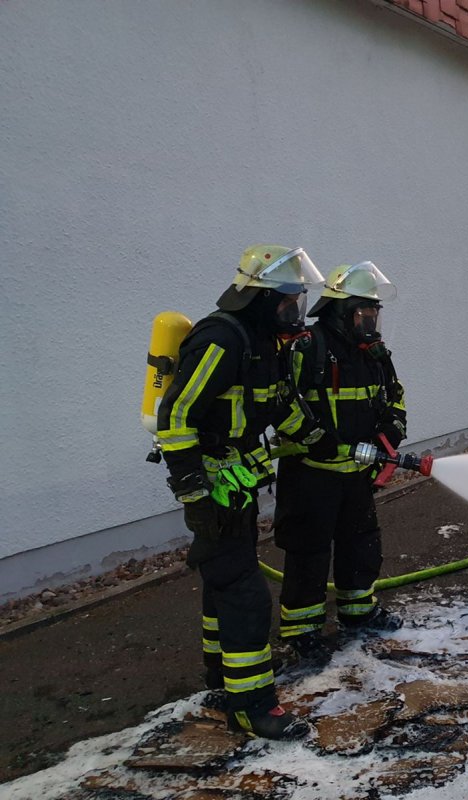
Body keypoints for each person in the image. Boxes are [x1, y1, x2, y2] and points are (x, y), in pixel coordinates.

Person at [156, 245, 324, 739]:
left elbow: (279, 406)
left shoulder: (265, 344)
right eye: (287, 300)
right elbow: (176, 417)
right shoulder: (222, 339)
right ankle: (251, 706)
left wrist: (322, 440)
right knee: (246, 596)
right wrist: (194, 493)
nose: (295, 310)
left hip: (239, 483)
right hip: (214, 489)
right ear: (260, 298)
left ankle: (221, 676)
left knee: (223, 584)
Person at [273, 261, 407, 666]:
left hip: (357, 474)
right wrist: (316, 440)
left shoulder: (374, 354)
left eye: (374, 313)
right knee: (309, 553)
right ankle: (302, 631)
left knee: (361, 545)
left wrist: (391, 430)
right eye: (364, 313)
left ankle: (358, 611)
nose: (371, 321)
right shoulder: (307, 347)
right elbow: (280, 401)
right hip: (311, 475)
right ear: (341, 311)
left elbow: (395, 396)